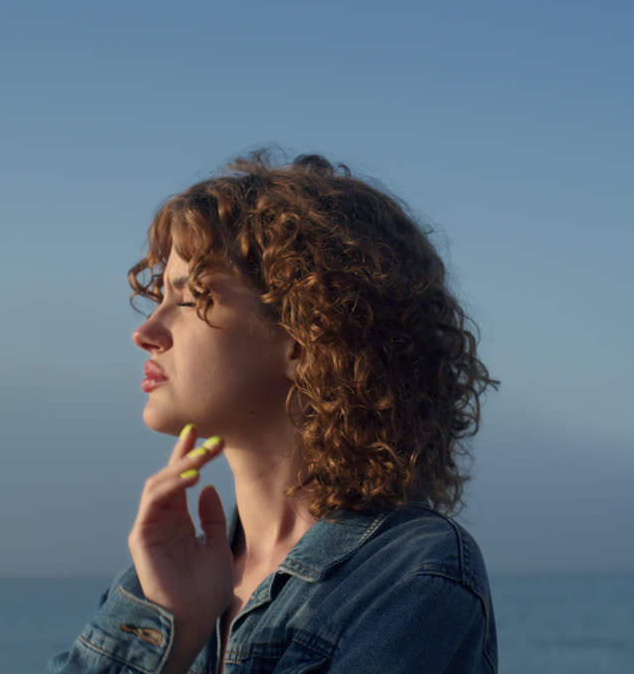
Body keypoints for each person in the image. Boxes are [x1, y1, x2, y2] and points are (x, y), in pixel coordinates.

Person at [45, 147, 500, 674]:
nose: (146, 333)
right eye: (156, 298)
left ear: (305, 339)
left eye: (192, 298)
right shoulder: (163, 575)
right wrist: (174, 627)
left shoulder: (412, 572)